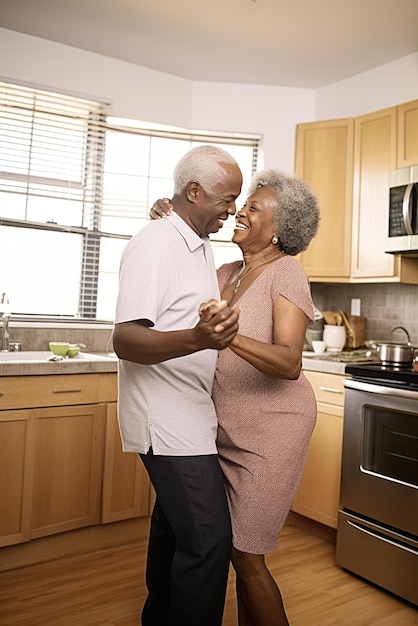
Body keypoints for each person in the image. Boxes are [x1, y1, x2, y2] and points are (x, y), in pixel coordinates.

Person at [151, 167, 320, 626]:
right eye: (242, 205)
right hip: (222, 428)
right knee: (226, 548)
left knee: (247, 556)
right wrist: (168, 219)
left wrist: (229, 339)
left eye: (254, 207)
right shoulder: (225, 270)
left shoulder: (287, 273)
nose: (241, 211)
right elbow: (183, 264)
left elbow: (289, 363)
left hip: (271, 432)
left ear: (280, 229)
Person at [113, 145, 243, 626]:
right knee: (209, 542)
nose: (231, 210)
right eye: (227, 199)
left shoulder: (195, 240)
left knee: (174, 534)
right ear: (194, 191)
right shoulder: (157, 243)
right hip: (167, 421)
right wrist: (199, 337)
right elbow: (125, 339)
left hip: (191, 415)